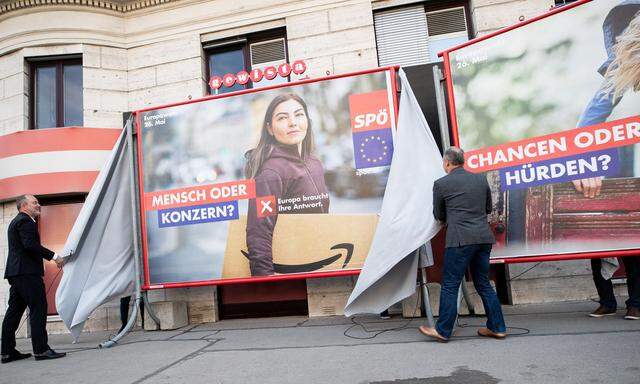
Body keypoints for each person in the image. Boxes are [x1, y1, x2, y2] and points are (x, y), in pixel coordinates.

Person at [575, 2, 640, 320]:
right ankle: (615, 303)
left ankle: (634, 304)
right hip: (620, 179)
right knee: (607, 246)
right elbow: (586, 127)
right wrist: (586, 165)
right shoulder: (617, 80)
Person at [419, 147, 506, 342]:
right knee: (483, 283)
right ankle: (498, 327)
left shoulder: (441, 184)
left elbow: (439, 215)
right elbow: (487, 208)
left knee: (450, 284)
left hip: (459, 239)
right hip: (483, 238)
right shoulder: (480, 179)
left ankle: (443, 330)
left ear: (447, 163)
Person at [245, 93, 330, 276]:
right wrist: (266, 283)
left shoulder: (314, 163)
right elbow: (258, 233)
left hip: (319, 266)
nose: (293, 122)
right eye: (282, 118)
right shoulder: (271, 173)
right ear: (269, 128)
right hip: (289, 272)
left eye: (299, 115)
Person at [1, 195, 66, 363]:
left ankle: (7, 352)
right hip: (27, 273)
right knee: (38, 308)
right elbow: (30, 245)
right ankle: (41, 350)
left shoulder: (17, 221)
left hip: (17, 273)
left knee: (14, 312)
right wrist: (55, 256)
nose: (38, 205)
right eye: (35, 203)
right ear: (24, 206)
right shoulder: (26, 221)